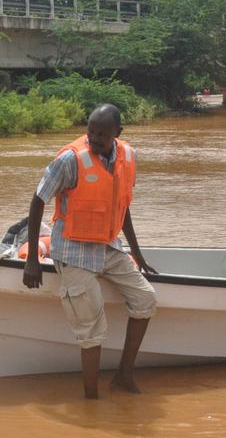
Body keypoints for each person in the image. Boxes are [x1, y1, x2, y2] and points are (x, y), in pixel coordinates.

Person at [22, 104, 158, 399]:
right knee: (92, 330)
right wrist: (32, 259)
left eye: (102, 135)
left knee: (145, 299)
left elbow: (122, 207)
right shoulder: (70, 160)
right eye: (91, 132)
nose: (94, 139)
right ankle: (91, 399)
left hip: (108, 246)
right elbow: (37, 201)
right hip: (73, 251)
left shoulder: (127, 156)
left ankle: (123, 376)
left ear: (117, 133)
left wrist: (137, 252)